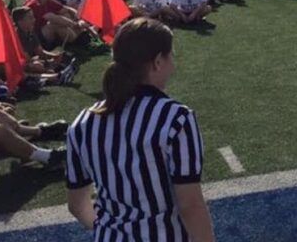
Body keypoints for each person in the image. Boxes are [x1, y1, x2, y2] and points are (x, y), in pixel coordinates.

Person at [66, 18, 215, 241]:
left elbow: (77, 205)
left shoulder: (82, 123)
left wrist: (106, 231)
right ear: (157, 62)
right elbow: (190, 205)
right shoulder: (175, 118)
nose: (173, 64)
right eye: (170, 56)